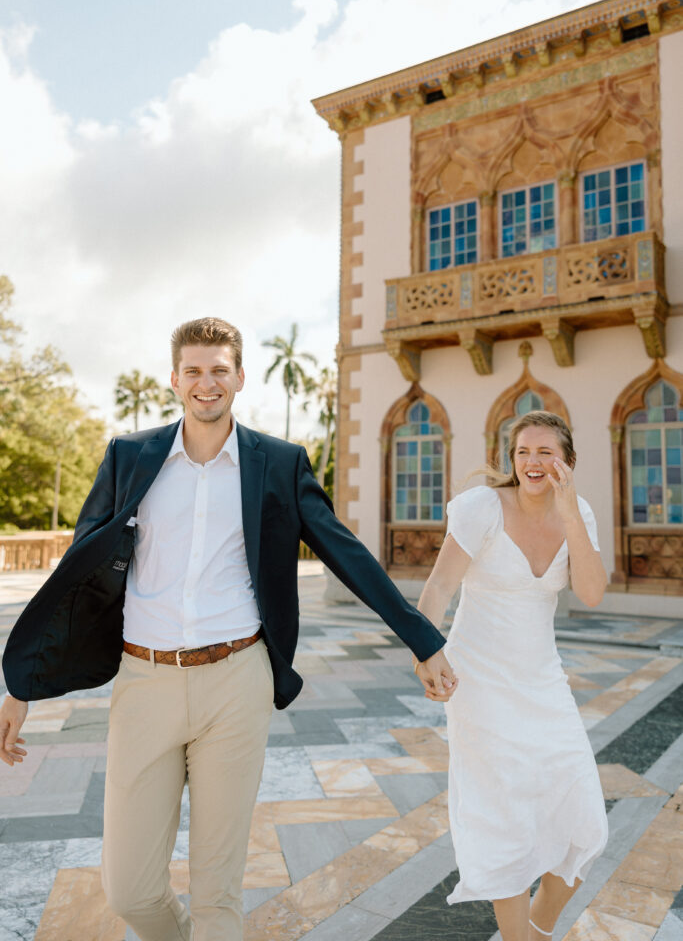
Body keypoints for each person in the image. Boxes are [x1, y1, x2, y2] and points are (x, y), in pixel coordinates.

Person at [0, 316, 456, 941]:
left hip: (237, 681)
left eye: (219, 370)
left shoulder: (279, 464)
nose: (206, 383)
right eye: (194, 371)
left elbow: (346, 552)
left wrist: (423, 639)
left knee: (219, 890)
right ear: (174, 379)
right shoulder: (129, 457)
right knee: (130, 890)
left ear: (240, 378)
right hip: (145, 681)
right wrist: (21, 684)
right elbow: (75, 573)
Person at [412, 411, 608, 941]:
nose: (533, 462)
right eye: (524, 452)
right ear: (511, 460)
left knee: (585, 816)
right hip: (478, 685)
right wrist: (427, 651)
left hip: (544, 683)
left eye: (546, 452)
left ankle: (538, 929)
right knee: (506, 821)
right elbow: (437, 589)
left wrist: (570, 515)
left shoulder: (580, 514)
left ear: (567, 461)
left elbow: (591, 592)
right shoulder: (483, 508)